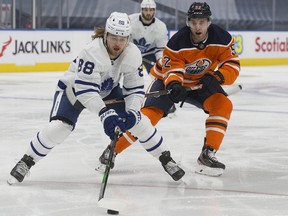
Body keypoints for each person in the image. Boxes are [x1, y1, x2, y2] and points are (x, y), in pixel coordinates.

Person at [7, 12, 185, 185]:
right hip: (74, 90)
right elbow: (86, 91)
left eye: (123, 39)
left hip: (107, 90)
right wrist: (104, 113)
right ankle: (26, 161)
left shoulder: (133, 54)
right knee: (60, 127)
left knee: (138, 121)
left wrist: (132, 111)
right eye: (114, 37)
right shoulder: (92, 52)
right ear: (106, 34)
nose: (118, 43)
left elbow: (135, 89)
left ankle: (166, 158)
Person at [98, 2, 240, 177]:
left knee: (223, 105)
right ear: (188, 22)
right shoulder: (177, 42)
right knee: (146, 117)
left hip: (201, 83)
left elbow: (232, 64)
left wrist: (218, 77)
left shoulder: (223, 38)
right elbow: (172, 69)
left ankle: (207, 154)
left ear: (209, 22)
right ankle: (112, 150)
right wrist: (174, 84)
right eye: (194, 22)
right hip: (166, 80)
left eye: (202, 22)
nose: (197, 27)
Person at [129, 0, 168, 74]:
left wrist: (160, 61)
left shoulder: (161, 26)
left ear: (155, 11)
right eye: (146, 10)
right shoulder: (130, 20)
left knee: (157, 75)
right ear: (141, 10)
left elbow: (161, 49)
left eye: (151, 10)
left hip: (149, 53)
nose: (148, 13)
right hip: (131, 52)